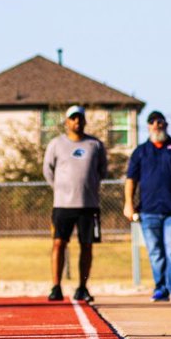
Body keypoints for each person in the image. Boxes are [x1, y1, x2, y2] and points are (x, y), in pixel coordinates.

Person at [124, 110, 171, 302]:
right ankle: (161, 288)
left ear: (166, 125)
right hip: (149, 211)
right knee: (155, 252)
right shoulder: (141, 152)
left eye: (160, 122)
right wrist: (128, 204)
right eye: (152, 122)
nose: (156, 125)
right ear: (148, 126)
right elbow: (131, 180)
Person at [43, 106, 108, 303]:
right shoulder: (56, 144)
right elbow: (48, 170)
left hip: (89, 205)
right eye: (73, 119)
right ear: (67, 122)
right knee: (58, 244)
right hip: (63, 205)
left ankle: (82, 287)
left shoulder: (95, 144)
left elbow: (102, 170)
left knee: (86, 246)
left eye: (80, 118)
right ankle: (56, 286)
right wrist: (61, 189)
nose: (77, 122)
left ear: (84, 121)